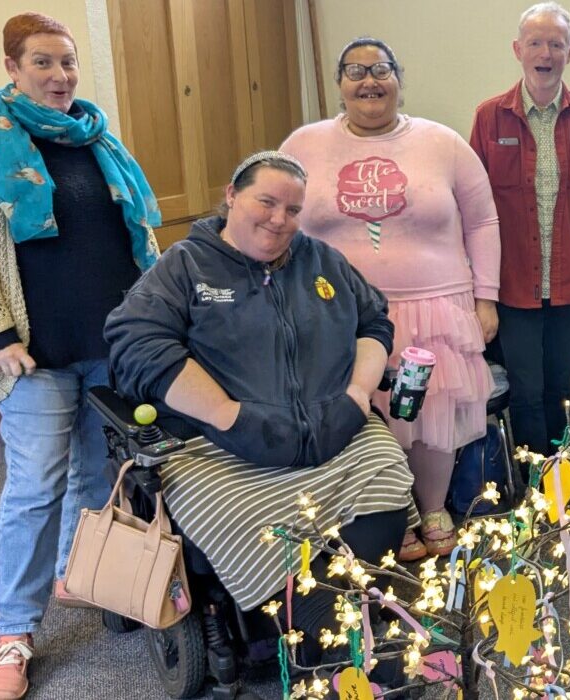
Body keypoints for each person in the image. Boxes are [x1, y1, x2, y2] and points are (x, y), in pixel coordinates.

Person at [103, 152, 414, 656]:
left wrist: (357, 397)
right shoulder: (185, 265)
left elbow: (373, 321)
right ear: (231, 195)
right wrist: (227, 413)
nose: (279, 220)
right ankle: (335, 644)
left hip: (335, 429)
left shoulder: (321, 259)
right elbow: (134, 342)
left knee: (386, 468)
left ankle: (350, 617)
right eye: (266, 202)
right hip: (222, 445)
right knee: (241, 518)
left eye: (293, 210)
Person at [0, 13, 162, 699]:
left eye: (66, 62)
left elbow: (136, 235)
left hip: (108, 343)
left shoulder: (98, 138)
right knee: (35, 485)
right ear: (12, 66)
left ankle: (76, 572)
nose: (60, 75)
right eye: (42, 62)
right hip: (31, 350)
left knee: (95, 475)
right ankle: (13, 635)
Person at [280, 38, 500, 561]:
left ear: (400, 78)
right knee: (368, 411)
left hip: (435, 308)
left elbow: (484, 220)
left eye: (380, 69)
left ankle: (432, 507)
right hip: (339, 312)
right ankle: (389, 509)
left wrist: (486, 297)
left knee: (432, 414)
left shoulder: (442, 142)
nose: (369, 80)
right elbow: (277, 217)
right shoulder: (303, 144)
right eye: (355, 71)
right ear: (339, 84)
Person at [469, 2, 570, 457]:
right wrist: (482, 293)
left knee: (560, 386)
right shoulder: (489, 117)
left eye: (556, 43)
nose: (546, 52)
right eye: (536, 42)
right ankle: (534, 483)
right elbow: (473, 212)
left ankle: (559, 471)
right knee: (526, 389)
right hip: (513, 285)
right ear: (518, 49)